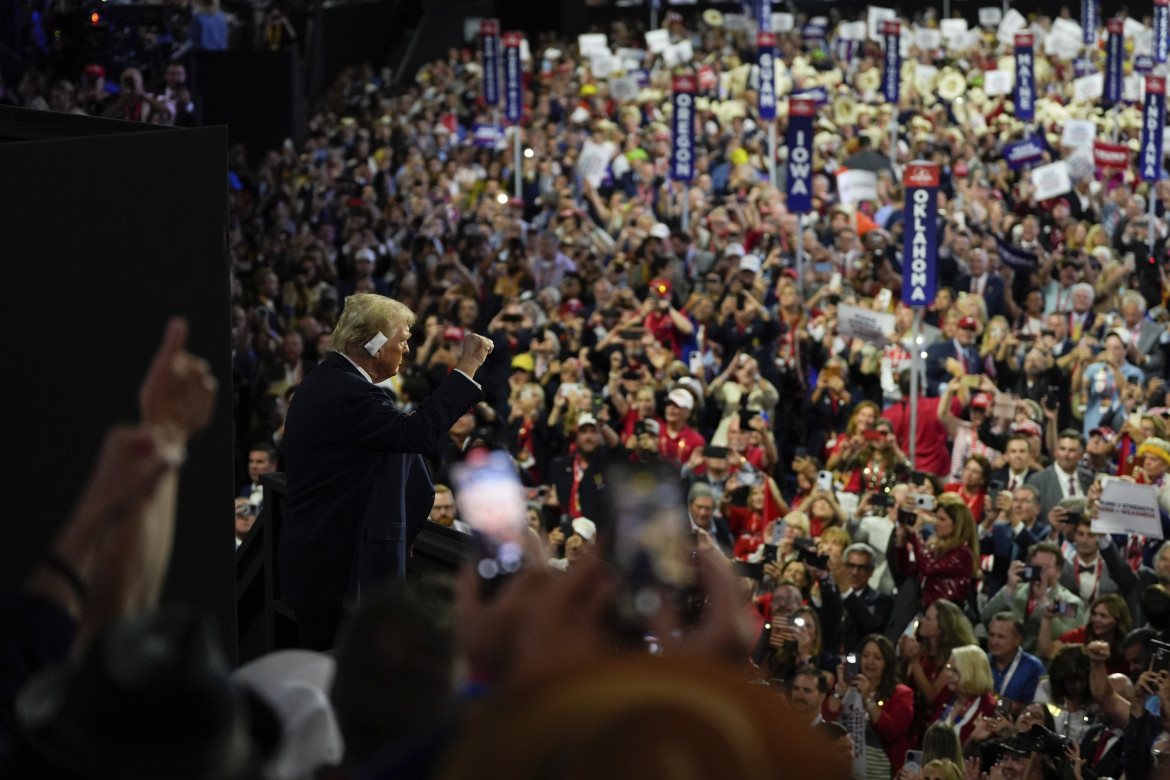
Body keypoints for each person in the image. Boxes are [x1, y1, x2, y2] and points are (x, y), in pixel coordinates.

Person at [280, 294, 493, 650]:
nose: (407, 350)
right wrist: (468, 365)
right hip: (342, 574)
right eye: (403, 340)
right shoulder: (351, 394)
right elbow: (416, 435)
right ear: (376, 345)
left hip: (324, 567)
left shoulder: (329, 381)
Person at [824, 634, 915, 778]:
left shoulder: (901, 694)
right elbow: (826, 722)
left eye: (877, 658)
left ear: (887, 663)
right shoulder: (848, 688)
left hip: (880, 773)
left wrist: (868, 699)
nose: (870, 662)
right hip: (844, 771)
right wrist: (840, 691)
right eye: (865, 656)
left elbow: (891, 733)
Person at [981, 542, 1086, 654]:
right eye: (1035, 566)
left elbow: (1065, 638)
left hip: (1044, 662)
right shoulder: (1015, 590)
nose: (1040, 572)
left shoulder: (1071, 602)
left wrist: (1043, 601)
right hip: (1007, 656)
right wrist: (1009, 589)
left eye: (1045, 567)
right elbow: (986, 618)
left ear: (1059, 572)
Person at [893, 492, 979, 608]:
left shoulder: (963, 554)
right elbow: (906, 569)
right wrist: (901, 541)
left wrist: (916, 533)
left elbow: (928, 568)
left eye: (942, 519)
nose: (936, 523)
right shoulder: (939, 549)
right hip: (928, 610)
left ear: (957, 525)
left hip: (945, 617)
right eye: (936, 518)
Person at [929, 645, 998, 743]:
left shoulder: (989, 708)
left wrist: (972, 741)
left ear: (972, 674)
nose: (948, 674)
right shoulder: (946, 693)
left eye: (955, 671)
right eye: (949, 668)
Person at [1025, 430, 1094, 519]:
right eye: (1062, 449)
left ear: (1081, 454)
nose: (1066, 455)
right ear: (1056, 451)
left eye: (1072, 450)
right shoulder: (1037, 480)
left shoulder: (1089, 479)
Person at [985, 613, 1046, 709]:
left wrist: (994, 700)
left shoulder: (1033, 668)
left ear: (1017, 640)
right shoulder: (981, 662)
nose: (993, 641)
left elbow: (1035, 711)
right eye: (991, 635)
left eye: (1001, 637)